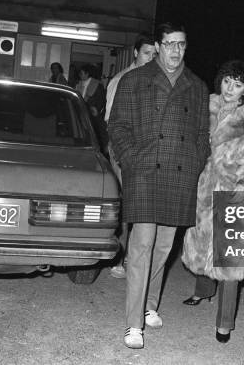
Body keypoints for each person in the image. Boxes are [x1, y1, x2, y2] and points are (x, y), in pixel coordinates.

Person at [108, 22, 210, 349]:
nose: (175, 51)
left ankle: (151, 304)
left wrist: (196, 161)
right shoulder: (134, 80)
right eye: (169, 44)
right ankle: (133, 324)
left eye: (181, 44)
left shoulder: (196, 86)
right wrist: (131, 158)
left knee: (165, 246)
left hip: (180, 173)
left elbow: (201, 135)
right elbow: (117, 125)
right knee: (141, 246)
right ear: (158, 45)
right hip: (144, 170)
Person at [181, 60, 244, 343]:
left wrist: (243, 189)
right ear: (220, 81)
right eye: (227, 82)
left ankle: (224, 323)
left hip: (234, 191)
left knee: (230, 261)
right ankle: (203, 291)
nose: (230, 89)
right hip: (204, 187)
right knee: (201, 244)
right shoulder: (206, 107)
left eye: (238, 84)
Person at [105, 34, 156, 279]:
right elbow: (111, 122)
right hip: (125, 151)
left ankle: (138, 261)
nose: (151, 58)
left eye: (155, 54)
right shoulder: (121, 80)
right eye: (147, 53)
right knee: (128, 205)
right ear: (136, 53)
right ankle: (120, 258)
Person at [76, 64, 107, 154]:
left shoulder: (97, 84)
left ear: (87, 74)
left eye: (81, 73)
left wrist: (96, 108)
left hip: (93, 113)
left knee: (95, 133)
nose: (80, 75)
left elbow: (101, 99)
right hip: (82, 112)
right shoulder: (79, 84)